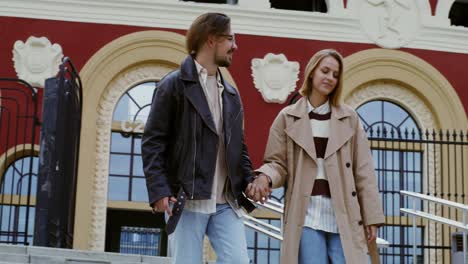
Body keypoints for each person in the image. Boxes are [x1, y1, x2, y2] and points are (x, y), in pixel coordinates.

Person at [247, 49, 384, 264]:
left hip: (344, 214)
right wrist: (264, 177)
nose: (330, 78)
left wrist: (372, 216)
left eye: (335, 74)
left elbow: (364, 171)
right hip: (307, 215)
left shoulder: (350, 119)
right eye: (325, 71)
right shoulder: (287, 117)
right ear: (312, 72)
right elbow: (277, 163)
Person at [142, 12, 255, 264]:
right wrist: (159, 190)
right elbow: (153, 142)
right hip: (186, 199)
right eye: (230, 39)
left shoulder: (232, 95)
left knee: (238, 261)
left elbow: (239, 148)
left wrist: (249, 180)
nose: (235, 46)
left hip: (226, 200)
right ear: (211, 39)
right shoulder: (173, 85)